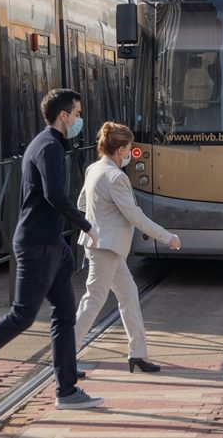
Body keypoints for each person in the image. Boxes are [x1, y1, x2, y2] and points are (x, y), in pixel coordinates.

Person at [0, 89, 102, 411]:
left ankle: (67, 388)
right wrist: (86, 225)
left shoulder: (50, 143)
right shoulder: (49, 147)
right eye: (78, 114)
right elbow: (54, 193)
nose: (80, 120)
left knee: (65, 314)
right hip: (37, 244)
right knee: (22, 315)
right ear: (64, 116)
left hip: (51, 243)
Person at [75, 122, 182, 373]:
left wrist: (100, 219)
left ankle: (138, 354)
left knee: (129, 296)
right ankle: (65, 355)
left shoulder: (94, 169)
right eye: (129, 147)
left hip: (102, 245)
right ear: (120, 149)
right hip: (106, 248)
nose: (131, 152)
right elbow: (135, 216)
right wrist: (167, 237)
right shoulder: (116, 177)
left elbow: (81, 204)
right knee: (94, 299)